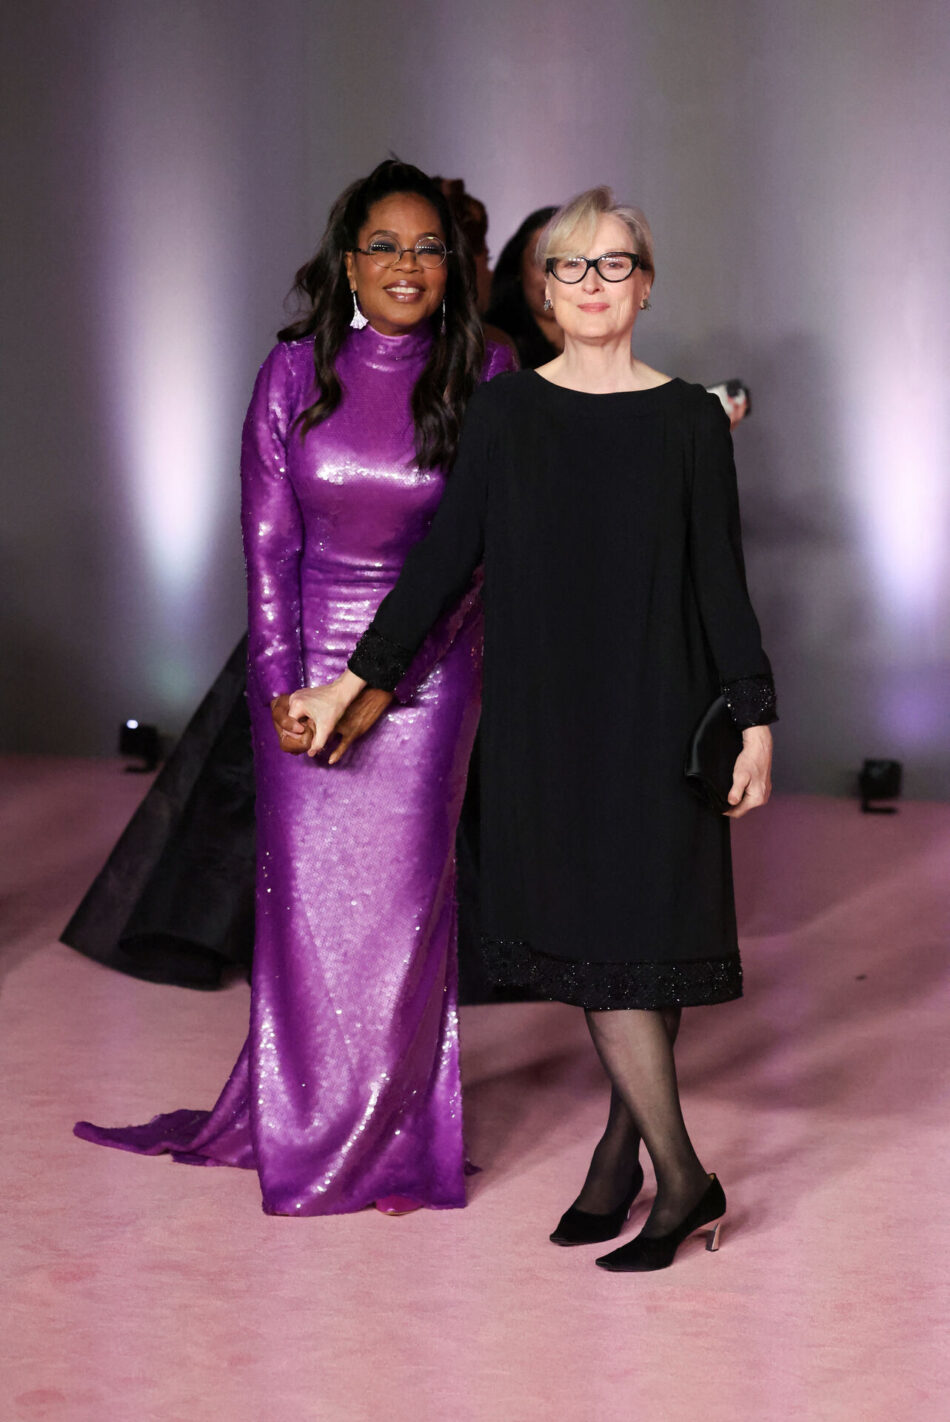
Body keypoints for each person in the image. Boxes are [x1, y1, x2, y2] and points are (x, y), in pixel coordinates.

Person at [291, 187, 777, 1270]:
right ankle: (628, 1164)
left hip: (663, 712)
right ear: (541, 290)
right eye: (571, 267)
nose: (592, 284)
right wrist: (353, 681)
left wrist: (752, 716)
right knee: (605, 949)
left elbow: (720, 585)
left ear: (644, 285)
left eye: (614, 265)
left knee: (632, 951)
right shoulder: (509, 415)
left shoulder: (688, 418)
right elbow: (442, 562)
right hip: (551, 722)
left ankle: (677, 1177)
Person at [74, 160, 517, 1217]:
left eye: (426, 248)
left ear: (452, 266)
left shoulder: (489, 372)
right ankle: (300, 1113)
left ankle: (393, 1134)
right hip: (304, 664)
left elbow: (479, 557)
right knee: (306, 914)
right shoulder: (292, 370)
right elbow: (267, 548)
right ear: (346, 260)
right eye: (383, 247)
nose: (405, 266)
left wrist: (375, 689)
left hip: (427, 674)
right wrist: (282, 692)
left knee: (405, 912)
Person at [484, 206, 560, 368]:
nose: (554, 275)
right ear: (518, 267)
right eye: (541, 258)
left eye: (569, 261)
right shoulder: (497, 346)